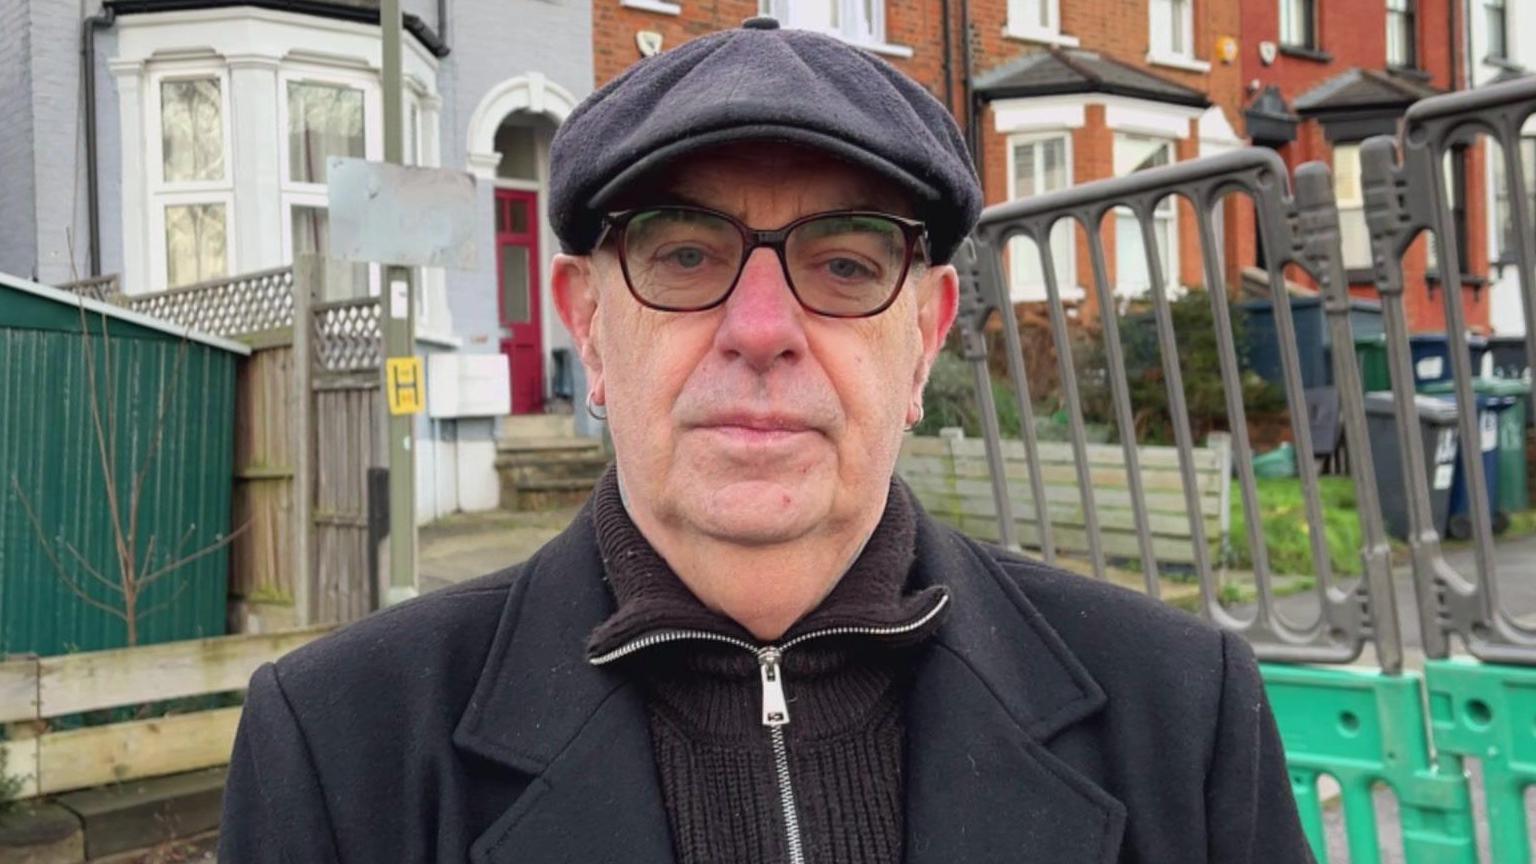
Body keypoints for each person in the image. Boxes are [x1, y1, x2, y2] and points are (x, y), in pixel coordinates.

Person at [219, 17, 1315, 864]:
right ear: (590, 327)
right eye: (686, 255)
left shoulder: (1179, 711)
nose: (759, 331)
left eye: (844, 263)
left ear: (925, 338)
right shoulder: (341, 746)